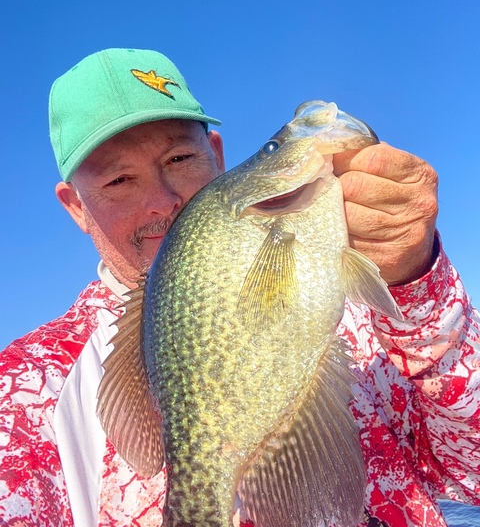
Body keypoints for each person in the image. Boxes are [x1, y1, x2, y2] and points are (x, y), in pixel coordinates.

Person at [0, 48, 478, 527]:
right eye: (119, 180)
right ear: (77, 207)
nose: (162, 202)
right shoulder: (27, 390)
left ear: (218, 154)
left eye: (180, 157)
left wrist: (418, 280)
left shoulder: (359, 303)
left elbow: (469, 472)